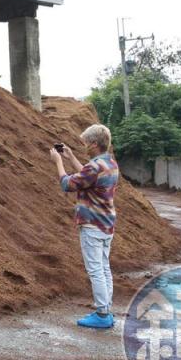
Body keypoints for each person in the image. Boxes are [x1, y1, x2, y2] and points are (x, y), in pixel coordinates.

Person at [49, 124, 120, 329]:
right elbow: (89, 178)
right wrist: (71, 158)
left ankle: (102, 314)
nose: (85, 146)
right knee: (104, 268)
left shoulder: (94, 166)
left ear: (95, 144)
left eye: (86, 143)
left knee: (95, 269)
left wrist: (58, 162)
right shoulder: (109, 164)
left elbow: (67, 184)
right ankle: (106, 309)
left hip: (92, 224)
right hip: (107, 224)